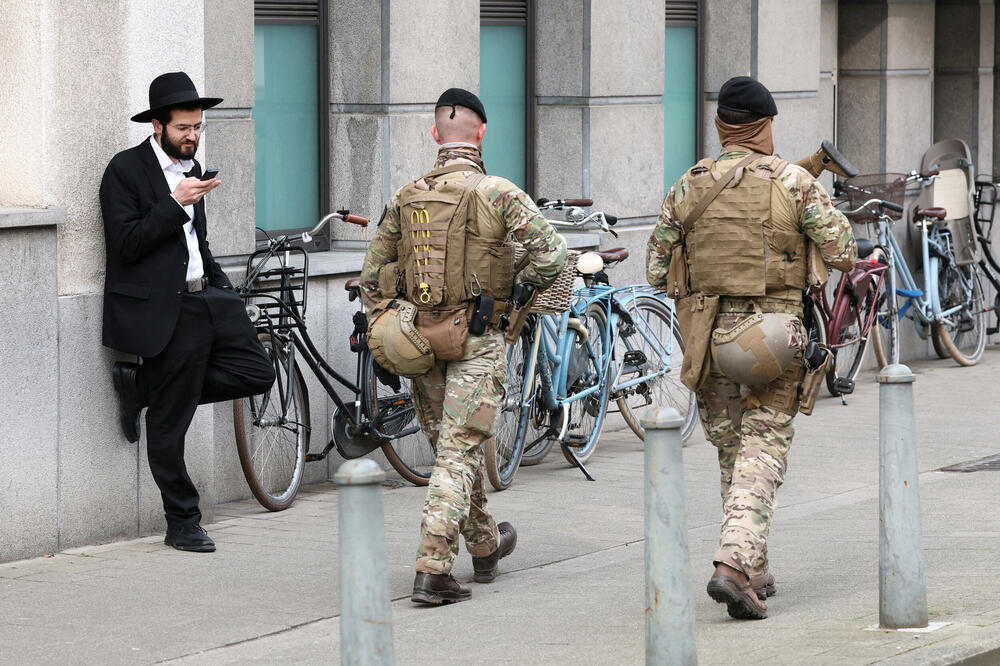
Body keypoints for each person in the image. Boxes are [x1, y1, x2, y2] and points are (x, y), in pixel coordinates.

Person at [646, 76, 857, 619]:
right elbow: (843, 252)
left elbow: (655, 268)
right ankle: (734, 566)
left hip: (708, 338)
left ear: (721, 126)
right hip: (772, 338)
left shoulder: (688, 185)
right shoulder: (793, 181)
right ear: (766, 126)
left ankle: (753, 569)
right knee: (761, 451)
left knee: (732, 452)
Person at [360, 88, 567, 605]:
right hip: (480, 336)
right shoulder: (498, 192)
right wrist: (518, 289)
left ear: (435, 134)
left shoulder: (406, 196)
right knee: (460, 449)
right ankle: (432, 569)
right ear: (481, 133)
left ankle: (485, 546)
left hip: (420, 337)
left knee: (453, 448)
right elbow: (554, 253)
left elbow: (372, 275)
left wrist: (388, 322)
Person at [101, 72, 275, 553]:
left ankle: (144, 387)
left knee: (258, 372)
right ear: (157, 125)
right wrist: (175, 203)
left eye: (197, 126)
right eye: (183, 127)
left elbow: (197, 242)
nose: (192, 135)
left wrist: (225, 291)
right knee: (169, 425)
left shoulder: (192, 168)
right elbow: (127, 243)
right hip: (164, 309)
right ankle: (182, 522)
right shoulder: (125, 171)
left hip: (207, 298)